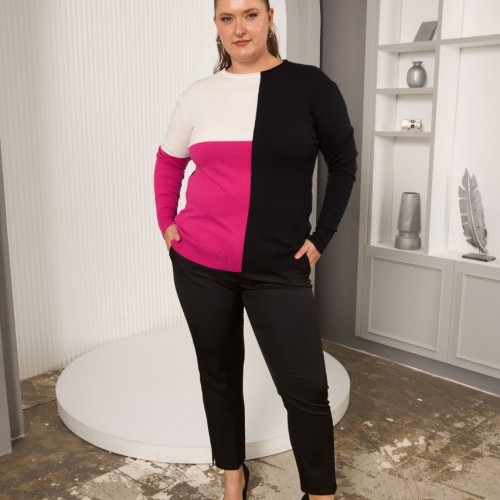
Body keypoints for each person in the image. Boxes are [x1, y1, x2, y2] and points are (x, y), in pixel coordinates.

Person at [154, 0, 357, 498]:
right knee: (219, 375)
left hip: (278, 268)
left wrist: (321, 237)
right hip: (200, 265)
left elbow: (344, 163)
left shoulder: (310, 86)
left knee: (306, 388)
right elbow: (169, 162)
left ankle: (320, 492)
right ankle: (232, 474)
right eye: (227, 18)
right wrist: (167, 223)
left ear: (270, 18)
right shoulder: (199, 95)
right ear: (216, 26)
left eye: (250, 14)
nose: (239, 28)